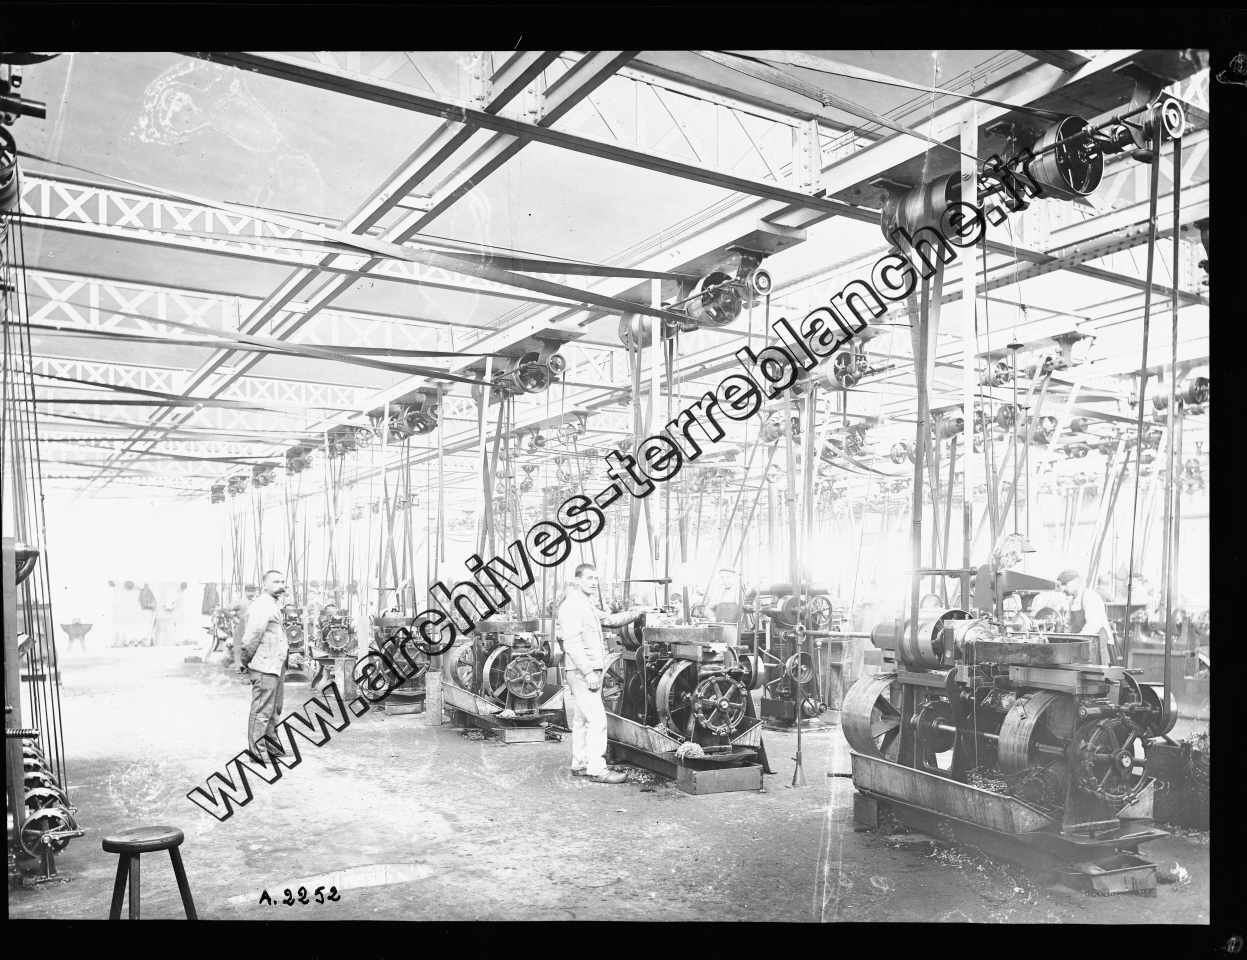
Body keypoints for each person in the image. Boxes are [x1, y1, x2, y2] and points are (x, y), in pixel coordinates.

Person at [558, 563, 644, 784]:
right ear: (577, 580)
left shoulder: (586, 604)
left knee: (581, 719)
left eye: (595, 578)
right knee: (597, 719)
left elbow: (610, 620)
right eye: (588, 578)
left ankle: (580, 763)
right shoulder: (572, 606)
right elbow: (571, 644)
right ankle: (597, 769)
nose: (593, 582)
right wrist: (588, 672)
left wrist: (636, 614)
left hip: (586, 671)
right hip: (582, 672)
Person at [238, 570, 289, 758]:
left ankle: (272, 748)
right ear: (264, 585)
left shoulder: (272, 604)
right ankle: (257, 753)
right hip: (264, 666)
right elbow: (251, 638)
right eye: (275, 582)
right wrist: (246, 661)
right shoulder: (261, 606)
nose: (280, 585)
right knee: (262, 711)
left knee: (274, 710)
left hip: (275, 665)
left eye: (282, 582)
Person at [1057, 568, 1117, 664]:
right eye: (1061, 585)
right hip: (1084, 646)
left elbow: (1093, 626)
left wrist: (1076, 643)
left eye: (1065, 584)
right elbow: (1067, 626)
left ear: (1077, 581)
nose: (1063, 589)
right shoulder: (1071, 601)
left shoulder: (1090, 596)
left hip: (1098, 646)